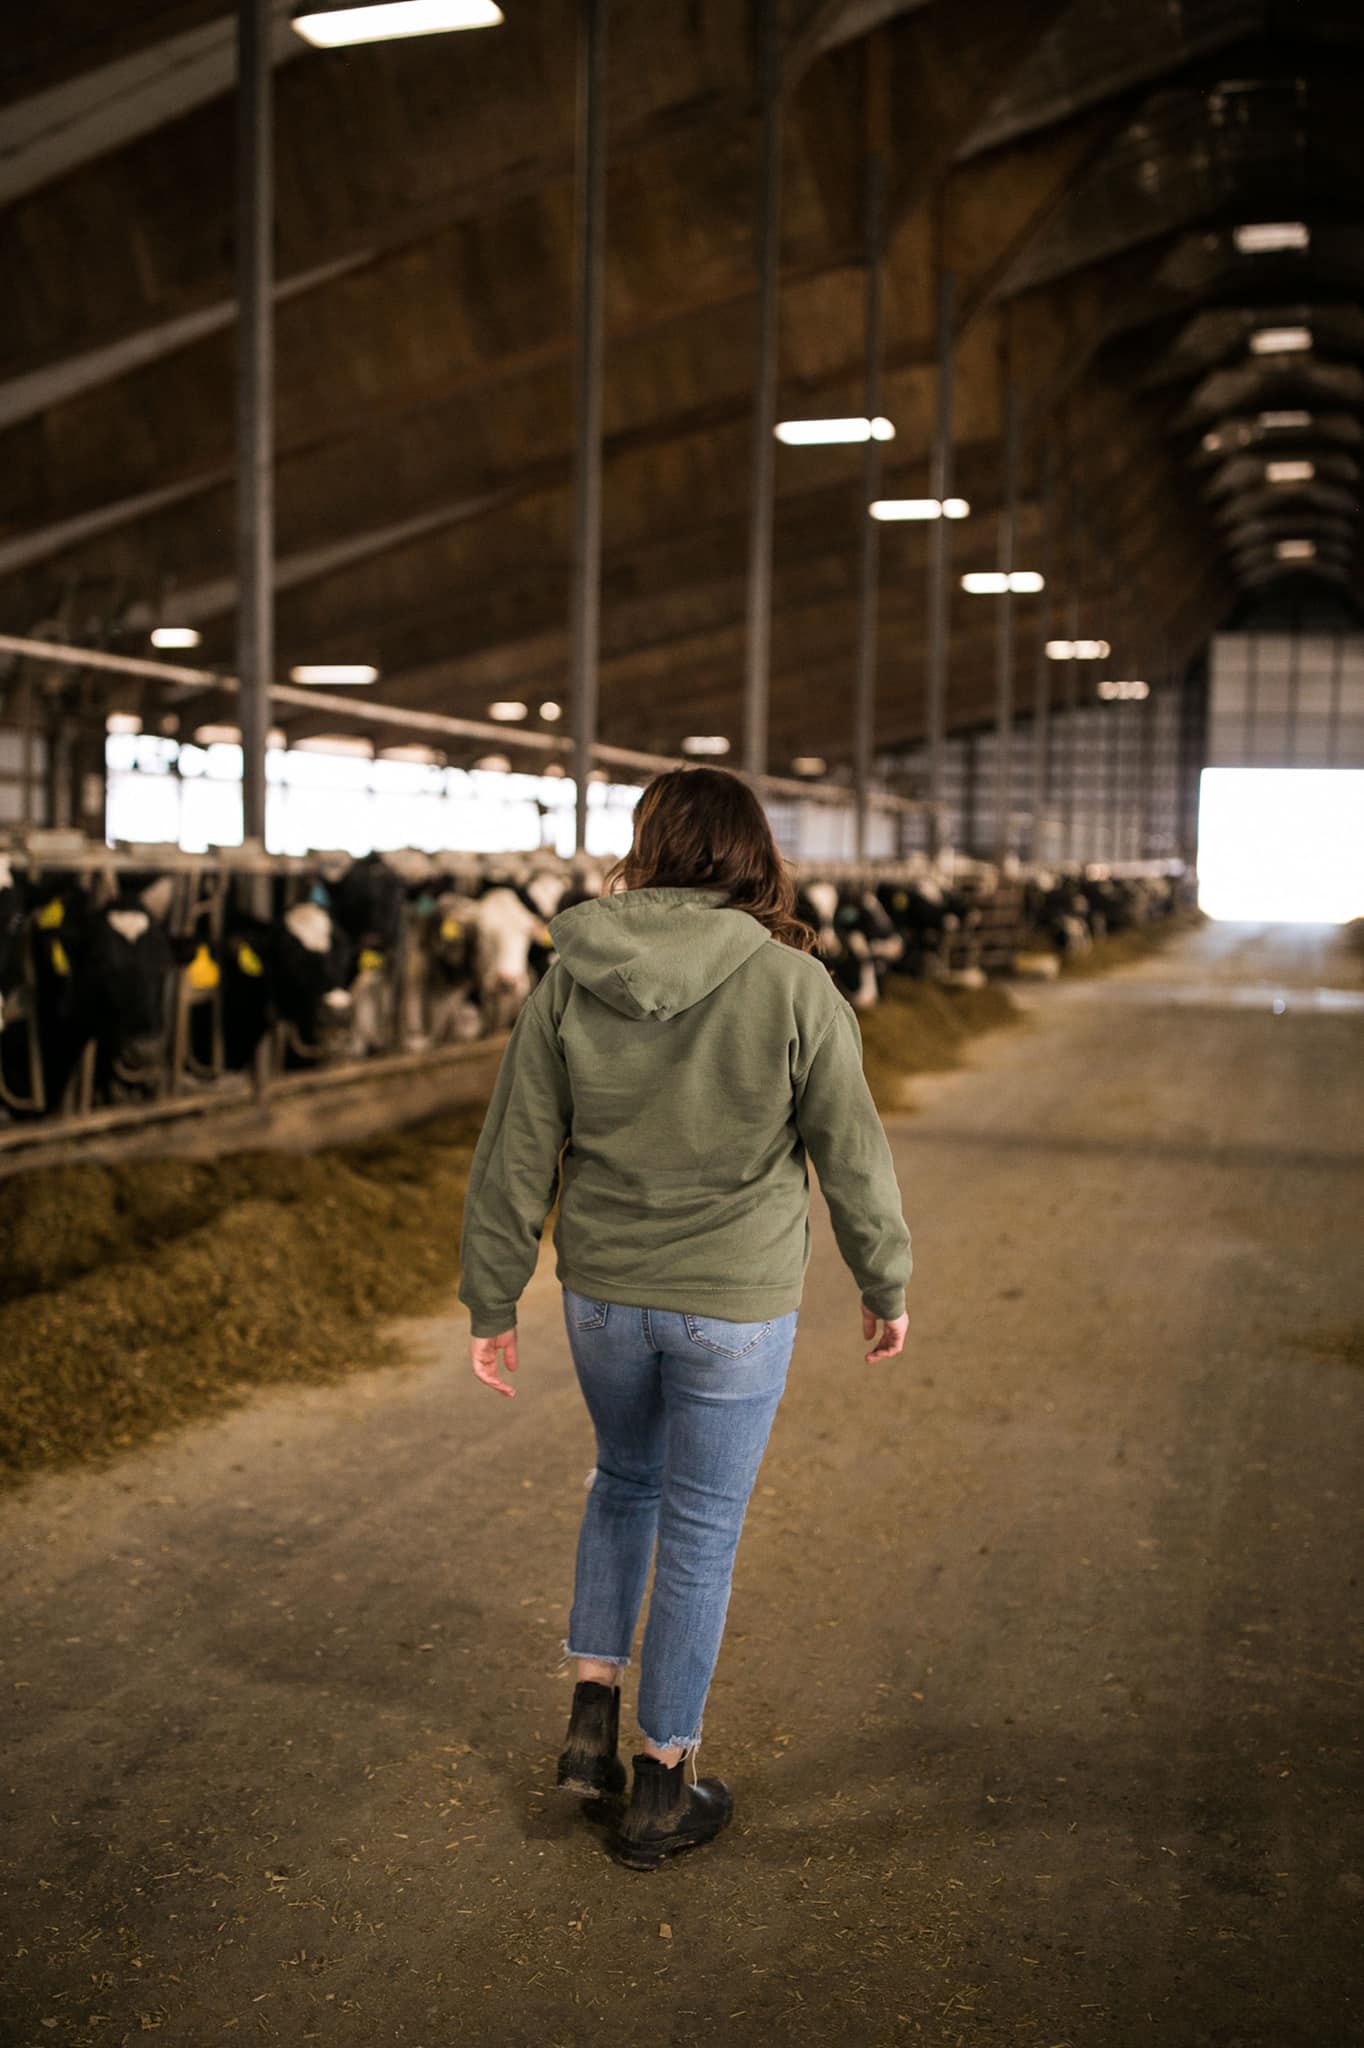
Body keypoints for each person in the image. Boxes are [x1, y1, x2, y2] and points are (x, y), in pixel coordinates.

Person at [458, 766, 911, 1871]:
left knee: (623, 1481)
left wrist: (491, 1293)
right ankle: (662, 1783)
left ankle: (587, 1722)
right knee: (700, 1528)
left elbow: (517, 1147)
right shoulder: (793, 982)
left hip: (604, 1293)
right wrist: (881, 1278)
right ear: (754, 854)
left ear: (648, 844)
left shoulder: (570, 975)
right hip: (734, 1304)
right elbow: (850, 1153)